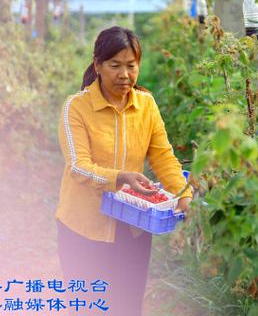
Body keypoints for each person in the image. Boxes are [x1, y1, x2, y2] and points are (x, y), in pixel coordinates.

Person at [55, 26, 193, 316]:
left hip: (132, 227)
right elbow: (79, 166)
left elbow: (164, 157)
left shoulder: (146, 105)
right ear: (98, 66)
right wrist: (121, 178)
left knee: (127, 306)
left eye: (131, 66)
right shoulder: (77, 107)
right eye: (115, 65)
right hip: (83, 226)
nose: (124, 75)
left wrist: (184, 196)